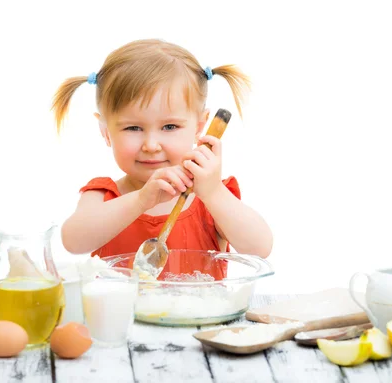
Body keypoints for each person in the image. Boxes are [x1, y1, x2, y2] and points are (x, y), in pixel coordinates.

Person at [52, 39, 272, 278]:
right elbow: (73, 242)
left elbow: (259, 249)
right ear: (105, 131)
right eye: (133, 128)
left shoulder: (213, 197)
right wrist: (141, 200)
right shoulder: (102, 195)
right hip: (121, 317)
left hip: (201, 314)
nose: (151, 145)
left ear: (199, 126)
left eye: (169, 126)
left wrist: (213, 193)